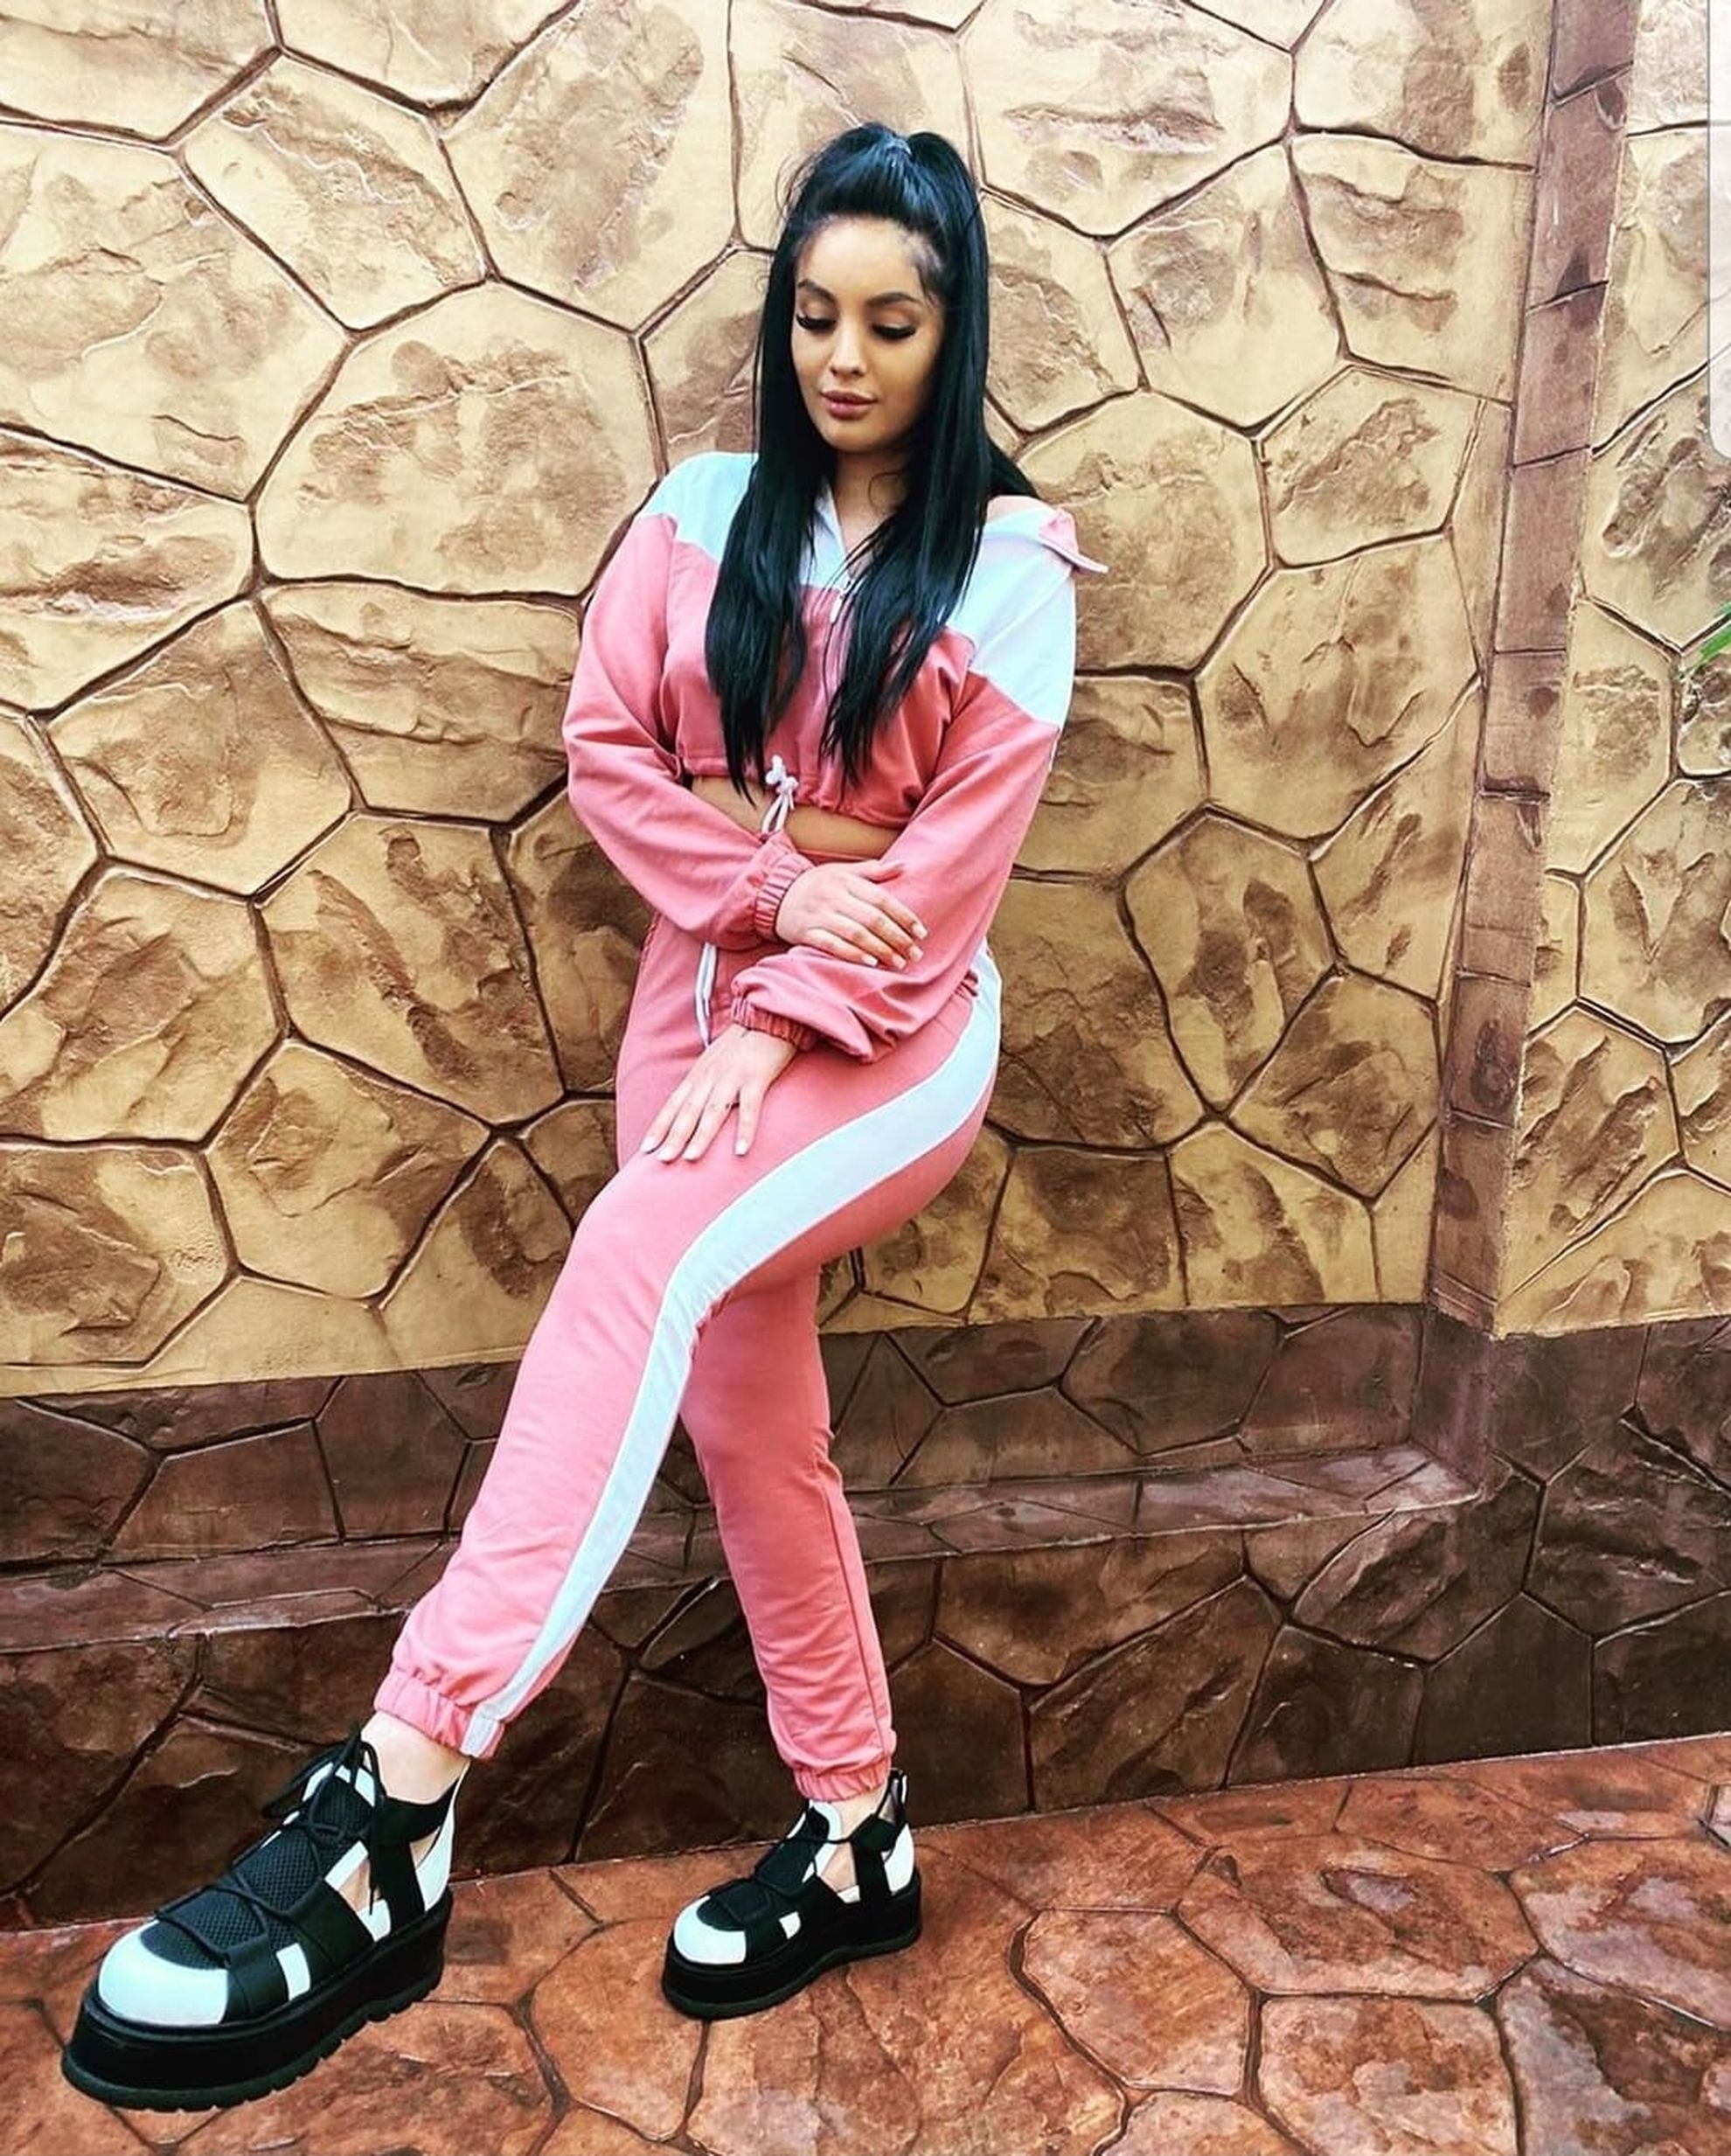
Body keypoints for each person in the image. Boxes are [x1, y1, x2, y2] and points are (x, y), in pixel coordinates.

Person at [62, 120, 1104, 2113]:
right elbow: (609, 751)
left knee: (637, 1254)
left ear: (952, 330)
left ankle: (403, 1786)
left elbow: (943, 880)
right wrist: (777, 880)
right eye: (815, 314)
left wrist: (788, 989)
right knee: (753, 1426)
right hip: (687, 1013)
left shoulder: (1011, 568)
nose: (844, 357)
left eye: (892, 322)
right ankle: (859, 1833)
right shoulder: (703, 511)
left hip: (888, 1043)